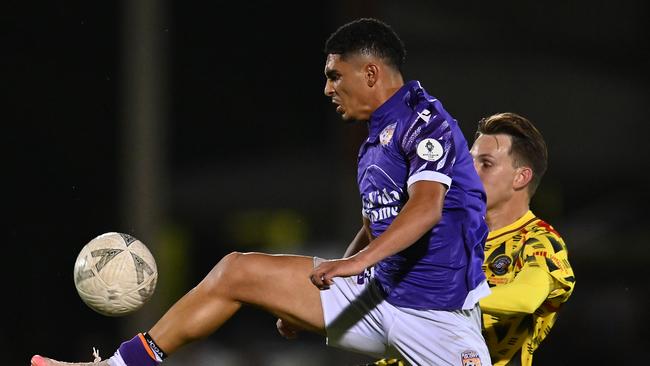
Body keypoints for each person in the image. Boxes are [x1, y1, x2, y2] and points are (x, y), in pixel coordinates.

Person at [31, 18, 492, 366]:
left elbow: (426, 209)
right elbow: (380, 221)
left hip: (438, 317)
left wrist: (351, 264)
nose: (327, 87)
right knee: (236, 272)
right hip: (376, 296)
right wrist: (335, 283)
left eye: (335, 75)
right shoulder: (376, 135)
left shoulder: (426, 122)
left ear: (371, 73)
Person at [367, 112, 576, 366]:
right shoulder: (442, 228)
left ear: (521, 177)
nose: (467, 171)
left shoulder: (540, 241)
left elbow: (527, 297)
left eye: (485, 164)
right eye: (469, 160)